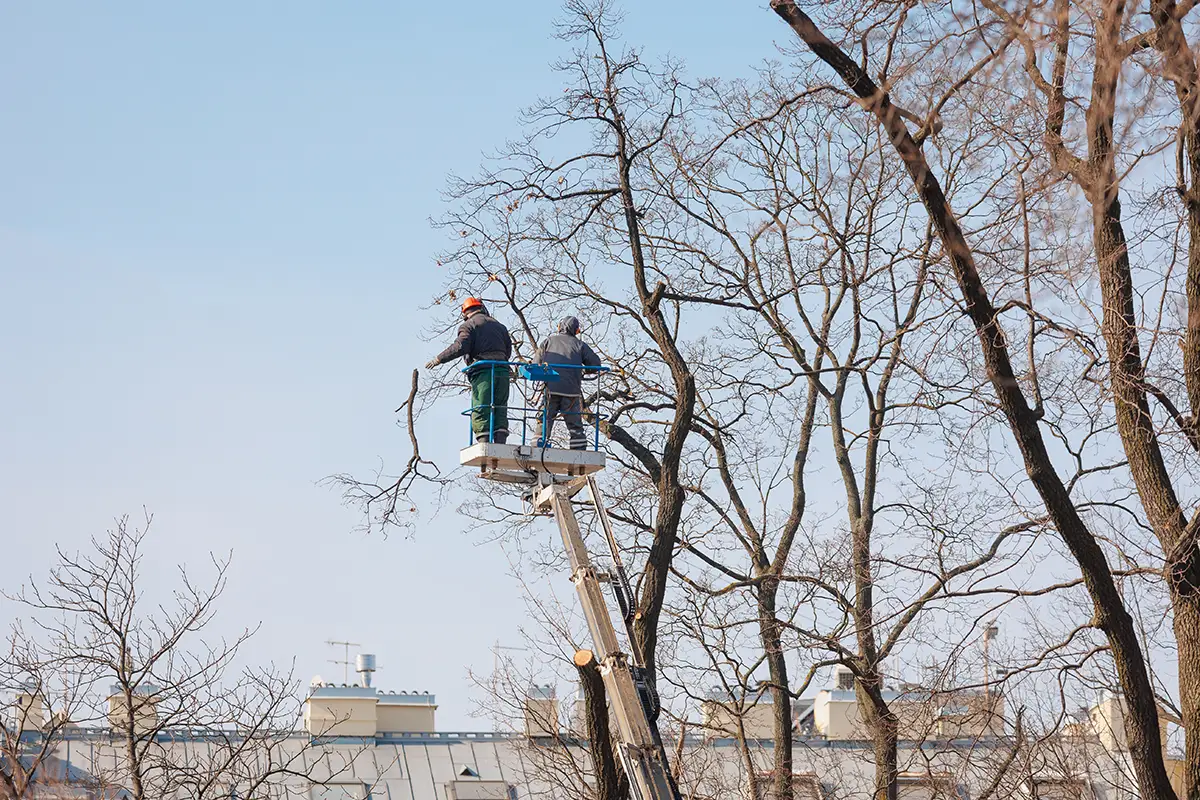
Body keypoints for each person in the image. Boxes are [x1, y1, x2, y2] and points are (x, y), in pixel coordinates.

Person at [425, 297, 512, 444]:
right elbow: (508, 350)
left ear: (465, 313)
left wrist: (439, 359)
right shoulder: (500, 326)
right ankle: (500, 440)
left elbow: (460, 346)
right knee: (500, 406)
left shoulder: (468, 325)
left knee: (481, 406)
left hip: (483, 372)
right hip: (502, 371)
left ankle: (483, 441)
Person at [535, 316, 602, 450]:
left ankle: (538, 444)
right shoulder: (580, 345)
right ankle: (579, 449)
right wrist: (586, 370)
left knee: (544, 419)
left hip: (550, 389)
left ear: (559, 327)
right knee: (574, 423)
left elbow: (536, 364)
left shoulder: (548, 341)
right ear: (576, 330)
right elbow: (596, 364)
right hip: (571, 391)